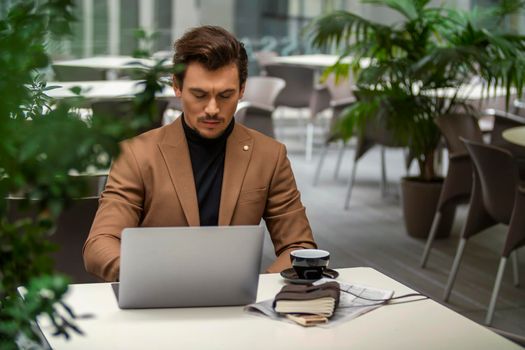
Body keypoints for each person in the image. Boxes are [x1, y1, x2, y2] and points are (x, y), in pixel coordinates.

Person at [83, 25, 317, 282]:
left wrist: (261, 290)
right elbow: (100, 244)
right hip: (157, 301)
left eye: (225, 95)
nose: (213, 109)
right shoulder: (136, 155)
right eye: (199, 94)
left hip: (239, 307)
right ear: (177, 87)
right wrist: (149, 278)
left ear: (241, 90)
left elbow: (300, 247)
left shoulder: (269, 156)